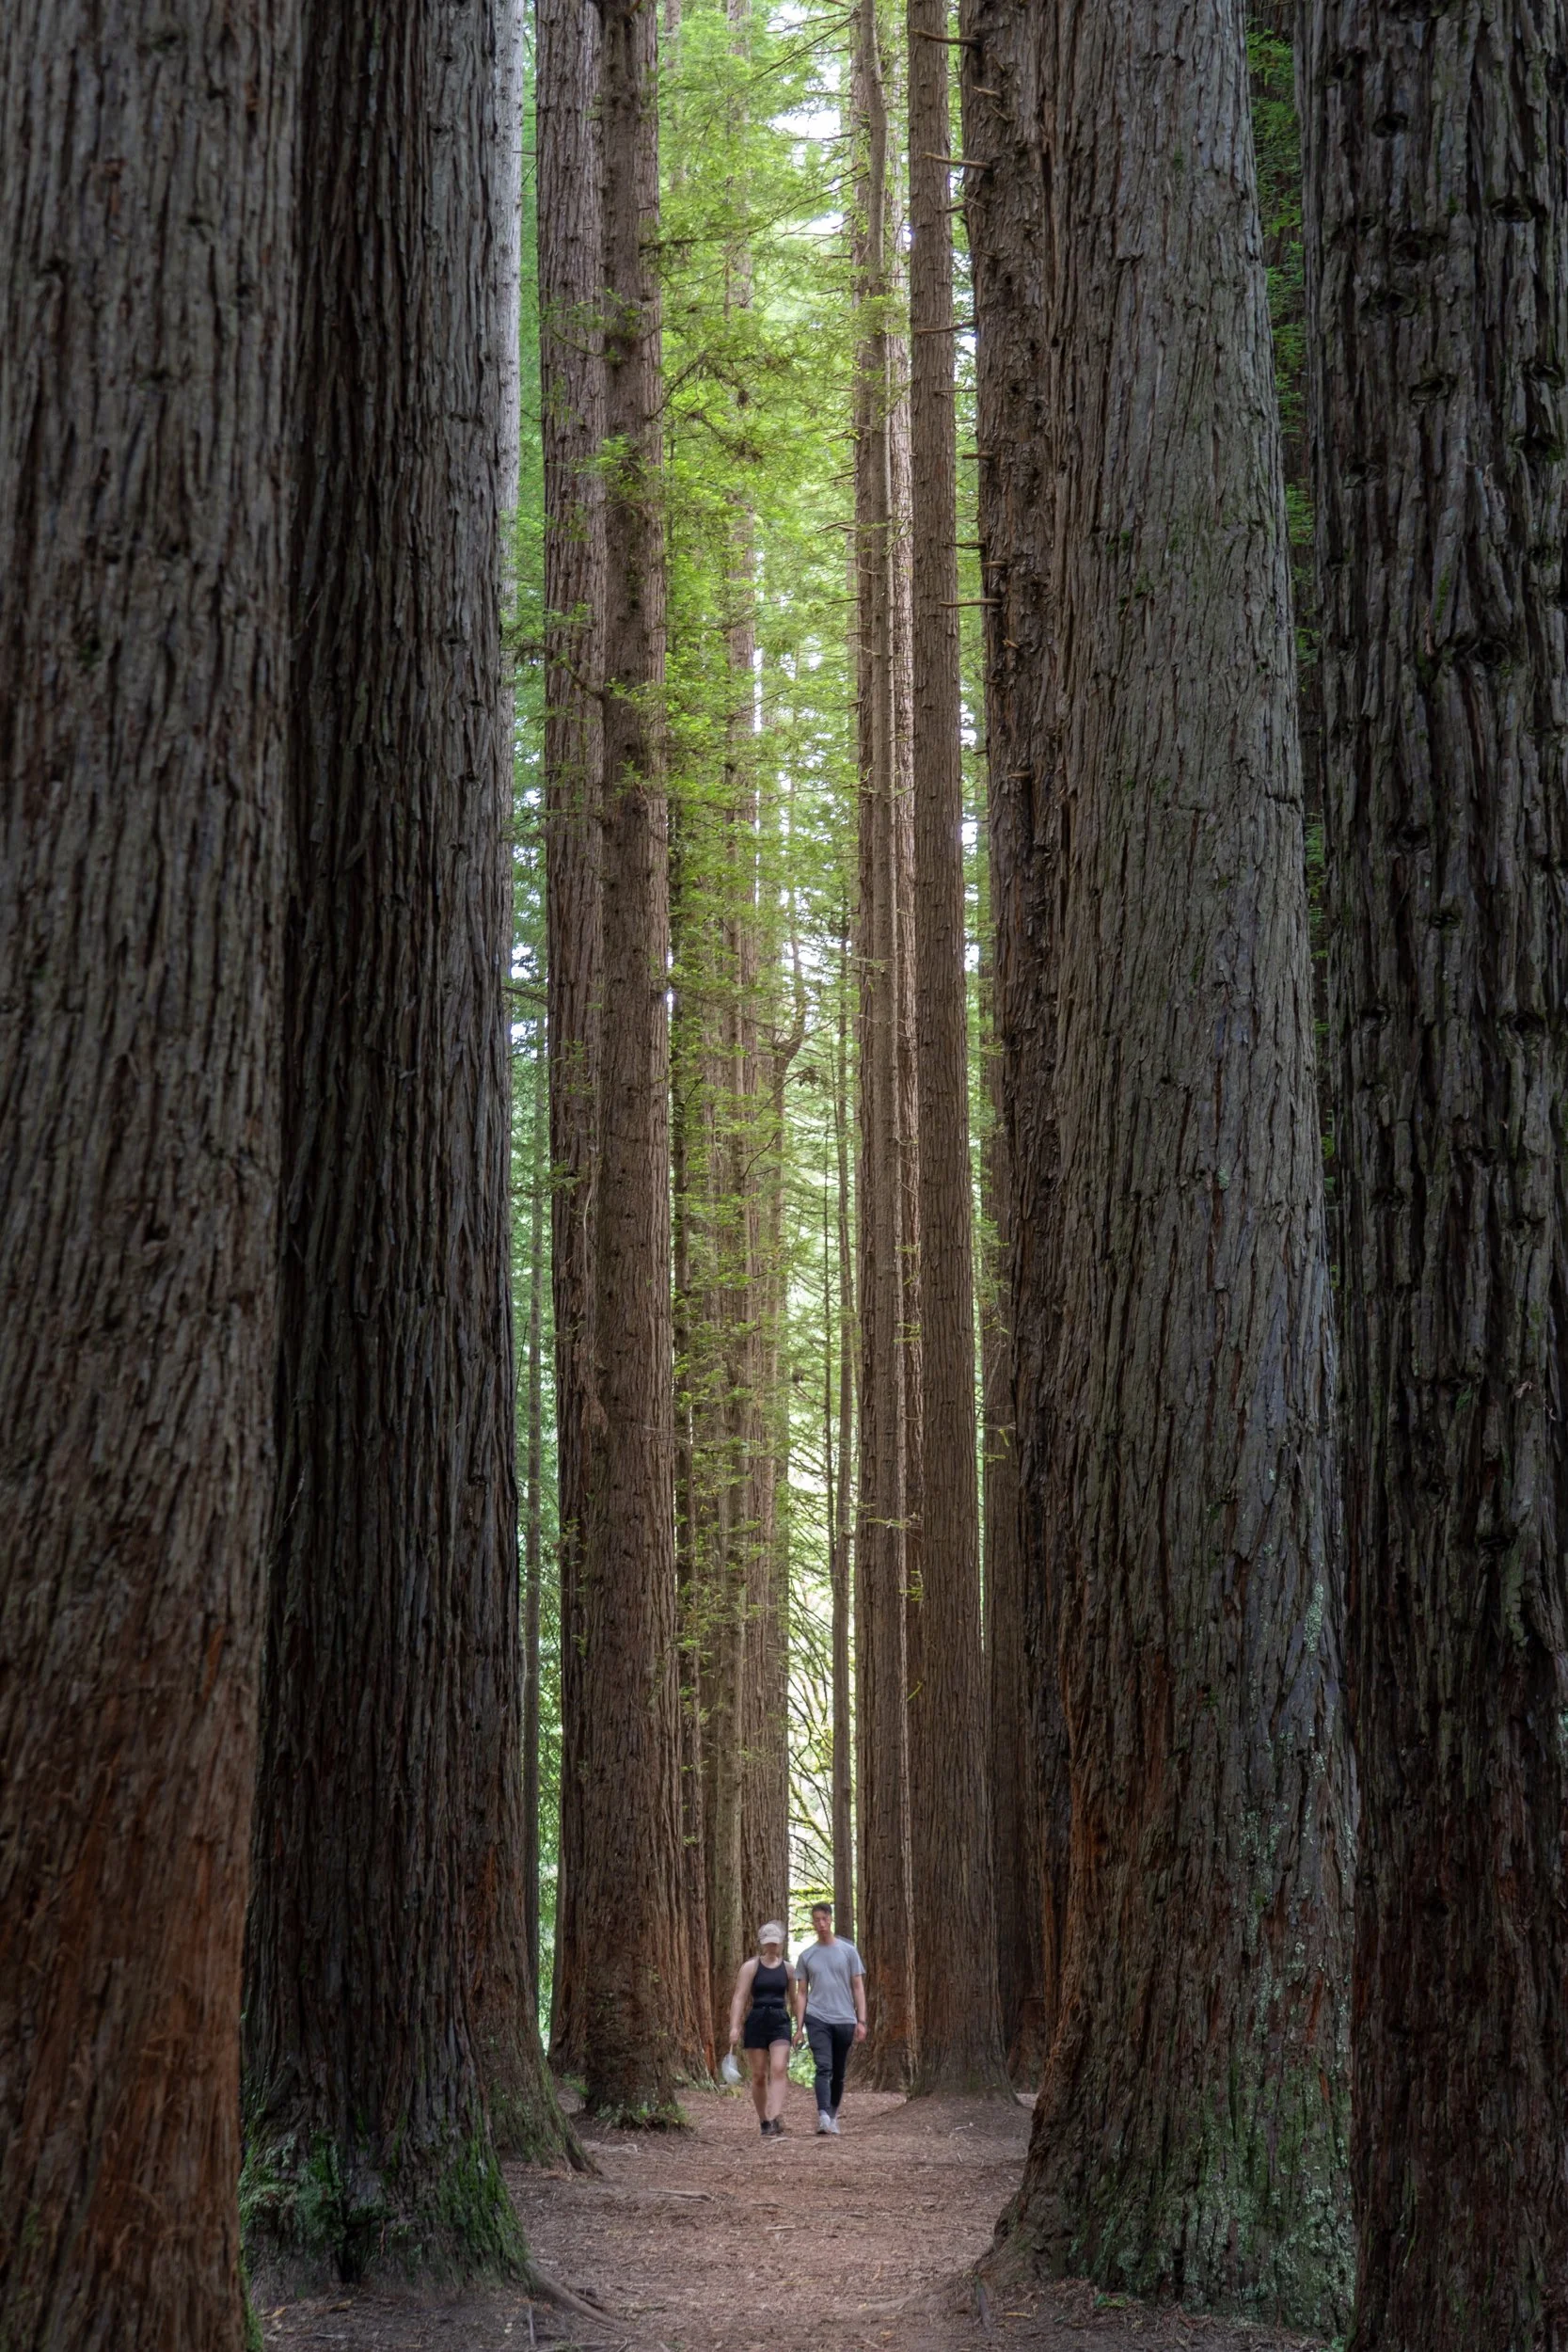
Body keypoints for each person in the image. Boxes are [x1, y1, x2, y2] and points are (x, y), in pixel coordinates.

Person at [793, 1900, 864, 2136]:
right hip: (817, 2017)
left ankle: (833, 2115)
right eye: (816, 1920)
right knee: (823, 2066)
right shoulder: (807, 1956)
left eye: (824, 1919)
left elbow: (857, 1987)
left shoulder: (848, 1951)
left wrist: (861, 2020)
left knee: (839, 2071)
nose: (821, 1924)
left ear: (831, 1919)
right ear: (812, 1922)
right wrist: (799, 2026)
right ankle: (823, 2115)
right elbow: (801, 1993)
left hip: (844, 2018)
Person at [728, 1921, 799, 2137]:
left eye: (775, 1943)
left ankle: (776, 2115)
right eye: (768, 1943)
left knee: (778, 2068)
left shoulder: (788, 1969)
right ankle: (764, 2120)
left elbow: (794, 2000)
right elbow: (739, 1997)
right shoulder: (751, 1967)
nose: (772, 1947)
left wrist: (800, 2028)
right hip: (757, 2019)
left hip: (780, 2020)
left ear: (781, 1943)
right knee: (759, 2075)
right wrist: (735, 2026)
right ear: (762, 1944)